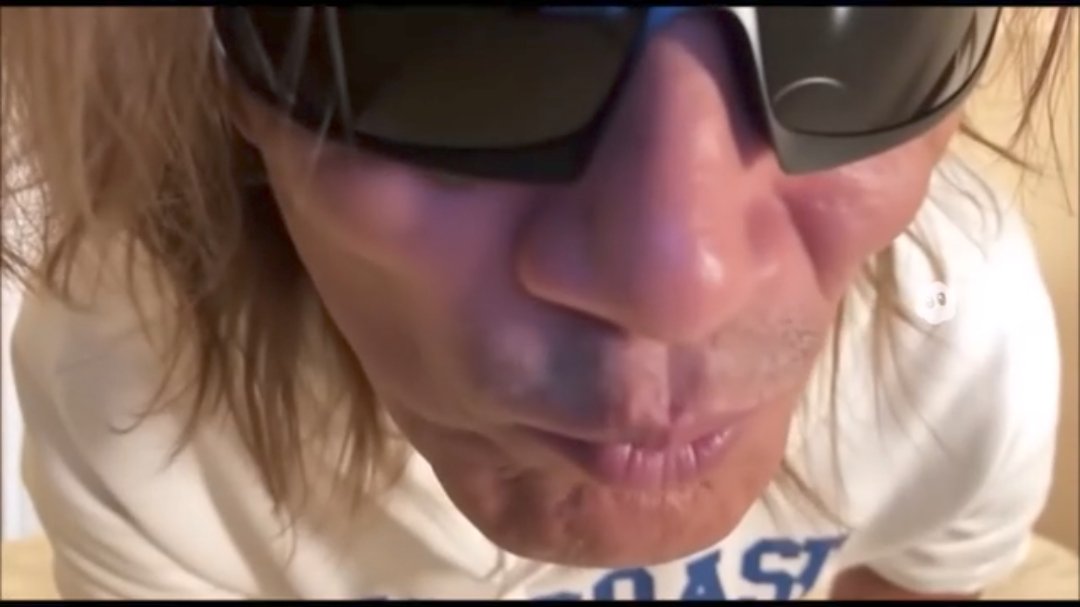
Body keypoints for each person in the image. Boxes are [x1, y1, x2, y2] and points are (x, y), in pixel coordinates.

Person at [0, 6, 1074, 600]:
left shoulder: (955, 345)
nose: (680, 287)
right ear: (224, 66)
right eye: (464, 33)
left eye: (858, 22)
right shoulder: (132, 395)